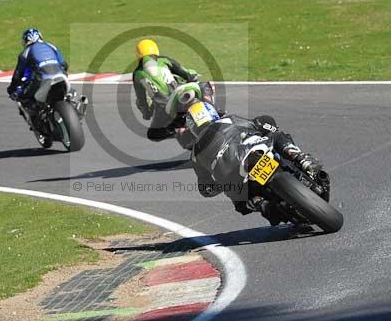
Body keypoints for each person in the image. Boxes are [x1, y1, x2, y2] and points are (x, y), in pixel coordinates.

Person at [183, 100, 327, 225]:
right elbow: (261, 123)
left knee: (241, 203)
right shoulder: (229, 119)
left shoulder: (195, 154)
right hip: (252, 154)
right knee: (277, 135)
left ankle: (259, 203)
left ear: (192, 126)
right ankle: (302, 159)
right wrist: (271, 127)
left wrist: (220, 185)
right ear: (212, 113)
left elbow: (205, 189)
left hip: (239, 181)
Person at [132, 39, 212, 141]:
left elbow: (141, 100)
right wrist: (193, 76)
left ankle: (178, 131)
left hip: (164, 110)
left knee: (153, 134)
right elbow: (186, 73)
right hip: (179, 96)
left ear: (138, 55)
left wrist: (146, 114)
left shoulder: (137, 74)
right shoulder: (164, 60)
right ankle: (213, 108)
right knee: (203, 85)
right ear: (156, 50)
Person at [7, 27, 68, 141]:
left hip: (42, 79)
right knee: (68, 93)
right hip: (61, 76)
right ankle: (73, 104)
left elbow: (17, 75)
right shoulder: (51, 46)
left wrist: (12, 89)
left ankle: (38, 122)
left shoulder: (25, 53)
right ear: (40, 36)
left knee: (23, 98)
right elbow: (64, 64)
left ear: (25, 41)